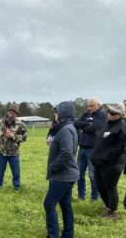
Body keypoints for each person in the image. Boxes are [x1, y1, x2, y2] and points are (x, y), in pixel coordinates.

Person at [43, 101, 79, 238]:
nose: (55, 115)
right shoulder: (68, 127)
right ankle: (68, 234)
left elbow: (66, 153)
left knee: (49, 204)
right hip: (67, 175)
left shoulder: (65, 130)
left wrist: (53, 167)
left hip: (63, 176)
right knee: (65, 205)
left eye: (57, 112)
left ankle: (53, 235)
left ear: (63, 114)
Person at [90, 102, 126, 219]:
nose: (109, 114)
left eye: (113, 113)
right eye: (109, 111)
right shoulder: (106, 125)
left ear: (121, 115)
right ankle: (108, 208)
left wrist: (107, 157)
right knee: (100, 187)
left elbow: (121, 147)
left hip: (112, 164)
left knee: (110, 187)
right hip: (99, 163)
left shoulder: (121, 127)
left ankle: (113, 212)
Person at [74, 97, 106, 201]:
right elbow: (76, 123)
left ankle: (95, 198)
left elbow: (95, 127)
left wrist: (86, 126)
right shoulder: (87, 113)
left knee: (93, 175)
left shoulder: (101, 114)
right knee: (79, 174)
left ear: (98, 105)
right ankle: (81, 196)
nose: (89, 107)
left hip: (93, 149)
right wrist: (88, 124)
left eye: (91, 105)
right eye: (88, 105)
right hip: (82, 147)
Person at [0, 103, 27, 190]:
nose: (11, 114)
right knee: (0, 172)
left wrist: (13, 136)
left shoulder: (20, 124)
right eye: (10, 112)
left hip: (14, 153)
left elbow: (24, 137)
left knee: (16, 173)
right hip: (2, 153)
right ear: (7, 112)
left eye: (13, 113)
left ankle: (17, 187)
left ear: (16, 114)